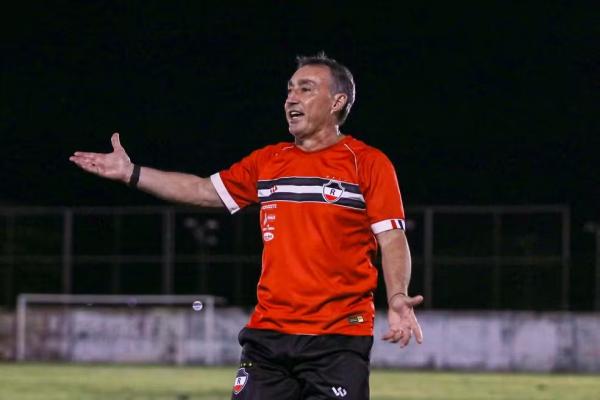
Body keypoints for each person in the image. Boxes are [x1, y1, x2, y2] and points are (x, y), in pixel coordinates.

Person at [70, 52, 423, 400]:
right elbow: (203, 190)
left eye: (305, 89)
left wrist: (396, 298)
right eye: (289, 90)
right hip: (268, 335)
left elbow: (391, 237)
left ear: (337, 102)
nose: (291, 98)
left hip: (337, 338)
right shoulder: (269, 161)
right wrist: (131, 173)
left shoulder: (368, 163)